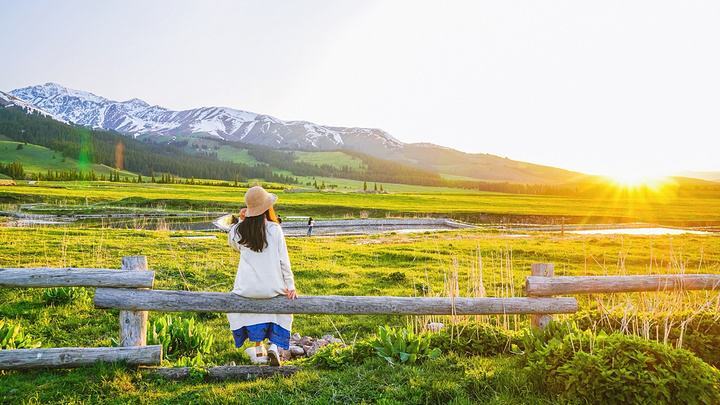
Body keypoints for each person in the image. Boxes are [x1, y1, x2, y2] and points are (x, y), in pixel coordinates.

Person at [227, 186, 297, 366]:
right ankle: (274, 345)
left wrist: (241, 220)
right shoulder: (275, 229)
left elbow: (233, 244)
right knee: (282, 307)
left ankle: (259, 352)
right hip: (272, 288)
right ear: (267, 208)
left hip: (246, 289)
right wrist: (290, 286)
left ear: (249, 210)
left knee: (255, 315)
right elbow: (284, 261)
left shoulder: (238, 231)